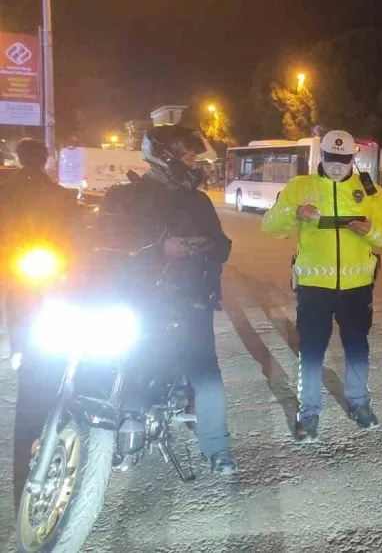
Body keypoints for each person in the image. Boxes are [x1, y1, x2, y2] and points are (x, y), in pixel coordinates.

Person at [97, 124, 237, 474]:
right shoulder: (126, 197)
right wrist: (159, 249)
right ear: (164, 156)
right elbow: (104, 242)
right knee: (129, 363)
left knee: (206, 373)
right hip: (136, 298)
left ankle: (217, 448)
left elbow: (222, 245)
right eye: (188, 155)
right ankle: (116, 438)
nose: (194, 162)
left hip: (192, 298)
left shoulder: (199, 200)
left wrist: (199, 246)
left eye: (194, 155)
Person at [262, 130, 382, 443]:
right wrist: (293, 213)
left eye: (344, 160)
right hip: (314, 286)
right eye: (331, 159)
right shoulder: (300, 187)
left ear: (353, 158)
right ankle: (308, 412)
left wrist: (372, 230)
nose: (337, 167)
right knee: (310, 349)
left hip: (357, 286)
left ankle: (360, 404)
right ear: (321, 156)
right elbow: (269, 227)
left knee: (357, 347)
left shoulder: (369, 190)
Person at [0, 139, 83, 507]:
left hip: (51, 275)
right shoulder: (11, 192)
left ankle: (26, 347)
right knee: (20, 304)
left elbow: (80, 236)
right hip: (28, 269)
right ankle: (22, 347)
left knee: (26, 305)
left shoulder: (60, 196)